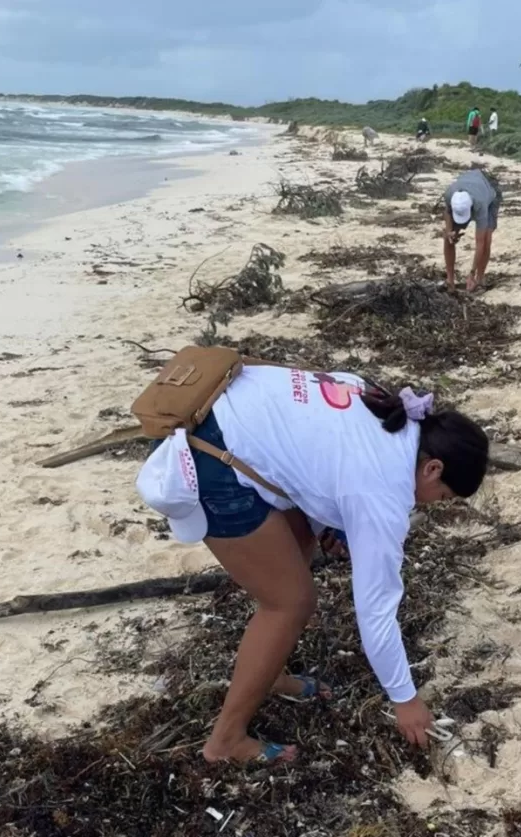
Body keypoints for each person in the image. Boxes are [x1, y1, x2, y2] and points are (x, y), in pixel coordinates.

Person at [137, 367, 489, 764]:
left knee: (299, 544)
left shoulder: (384, 407)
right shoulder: (383, 491)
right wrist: (404, 699)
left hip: (220, 415)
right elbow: (375, 610)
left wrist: (328, 522)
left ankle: (272, 674)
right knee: (290, 602)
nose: (433, 504)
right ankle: (225, 741)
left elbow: (314, 450)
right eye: (441, 497)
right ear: (433, 468)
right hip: (204, 458)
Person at [442, 168, 502, 293]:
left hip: (488, 189)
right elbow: (447, 213)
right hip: (470, 180)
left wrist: (471, 273)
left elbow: (480, 243)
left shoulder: (480, 204)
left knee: (487, 239)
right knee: (448, 239)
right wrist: (449, 232)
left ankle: (479, 279)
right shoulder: (449, 195)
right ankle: (450, 280)